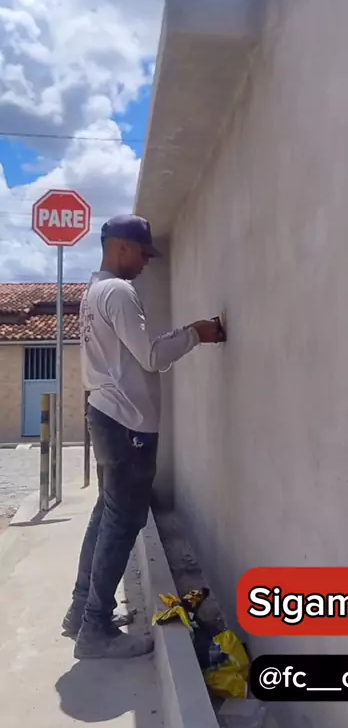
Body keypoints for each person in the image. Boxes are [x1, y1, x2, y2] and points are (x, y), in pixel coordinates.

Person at [62, 214, 224, 659]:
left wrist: (182, 335)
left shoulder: (94, 291)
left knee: (107, 515)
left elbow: (135, 354)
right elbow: (151, 356)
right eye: (142, 254)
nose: (146, 263)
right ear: (121, 247)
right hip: (126, 424)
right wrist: (196, 334)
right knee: (121, 521)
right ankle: (94, 628)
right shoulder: (118, 291)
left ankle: (81, 611)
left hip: (109, 415)